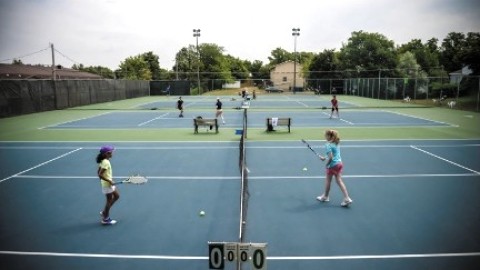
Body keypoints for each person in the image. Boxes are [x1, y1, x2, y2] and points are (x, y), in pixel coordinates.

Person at [316, 130, 353, 207]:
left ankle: (325, 197)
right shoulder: (336, 142)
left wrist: (327, 164)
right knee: (339, 180)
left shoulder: (328, 145)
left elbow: (331, 158)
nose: (325, 137)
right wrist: (324, 157)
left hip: (333, 165)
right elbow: (334, 154)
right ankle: (347, 198)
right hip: (339, 164)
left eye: (325, 136)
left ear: (329, 136)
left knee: (328, 181)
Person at [96, 145, 120, 225]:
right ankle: (105, 218)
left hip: (108, 184)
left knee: (116, 196)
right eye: (111, 152)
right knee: (109, 201)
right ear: (107, 154)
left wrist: (107, 181)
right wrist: (109, 181)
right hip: (107, 184)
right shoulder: (105, 162)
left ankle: (104, 212)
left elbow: (98, 172)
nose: (112, 153)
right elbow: (100, 174)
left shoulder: (103, 161)